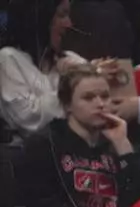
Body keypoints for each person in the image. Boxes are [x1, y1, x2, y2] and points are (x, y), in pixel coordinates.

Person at [19, 64, 140, 207]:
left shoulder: (118, 141)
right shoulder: (45, 143)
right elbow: (42, 204)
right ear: (67, 105)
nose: (100, 104)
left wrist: (123, 146)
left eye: (105, 96)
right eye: (88, 98)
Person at [0, 0, 86, 137]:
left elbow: (96, 89)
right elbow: (28, 121)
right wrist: (67, 83)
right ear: (41, 19)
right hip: (35, 153)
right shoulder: (9, 59)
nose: (69, 24)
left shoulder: (68, 58)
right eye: (62, 15)